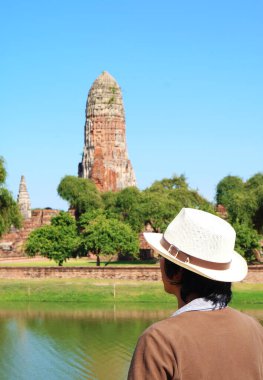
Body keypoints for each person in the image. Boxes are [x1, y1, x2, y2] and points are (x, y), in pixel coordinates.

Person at [128, 208, 263, 380]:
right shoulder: (254, 329)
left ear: (175, 272)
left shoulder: (159, 340)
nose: (160, 262)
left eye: (162, 257)